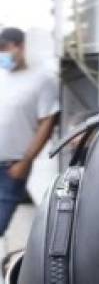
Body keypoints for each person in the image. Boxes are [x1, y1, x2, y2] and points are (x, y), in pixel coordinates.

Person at [0, 28, 59, 260]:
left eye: (5, 48)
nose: (1, 54)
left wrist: (25, 162)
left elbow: (47, 122)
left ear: (20, 46)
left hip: (11, 168)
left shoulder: (42, 79)